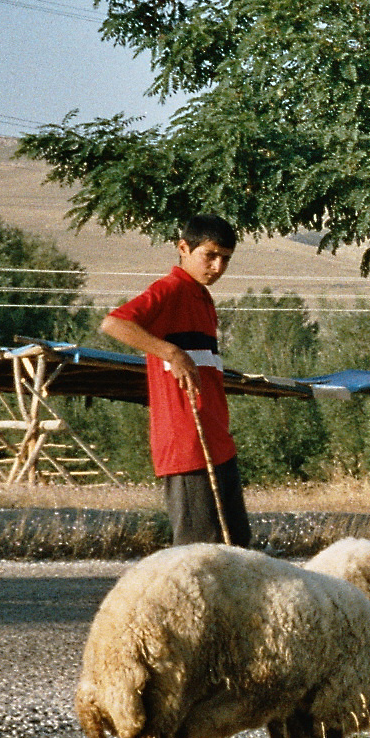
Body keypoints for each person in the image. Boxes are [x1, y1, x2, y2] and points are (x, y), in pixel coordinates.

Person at [100, 214, 251, 546]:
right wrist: (170, 352)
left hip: (217, 440)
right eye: (209, 255)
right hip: (188, 441)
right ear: (183, 248)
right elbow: (113, 323)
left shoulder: (202, 299)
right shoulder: (170, 289)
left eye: (225, 258)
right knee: (200, 550)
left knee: (237, 545)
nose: (218, 266)